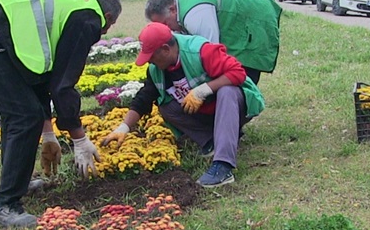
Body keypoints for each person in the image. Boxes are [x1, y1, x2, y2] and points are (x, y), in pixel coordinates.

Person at [0, 0, 122, 228]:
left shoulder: (73, 8)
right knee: (23, 116)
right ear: (107, 16)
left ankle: (16, 183)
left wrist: (48, 133)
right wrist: (79, 139)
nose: (104, 32)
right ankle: (6, 206)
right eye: (110, 26)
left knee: (20, 113)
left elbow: (40, 77)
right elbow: (63, 85)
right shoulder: (87, 20)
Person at [103, 22, 264, 187]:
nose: (149, 62)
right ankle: (214, 141)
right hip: (206, 114)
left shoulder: (201, 50)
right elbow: (144, 97)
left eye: (151, 56)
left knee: (227, 91)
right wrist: (124, 127)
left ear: (166, 49)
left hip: (235, 107)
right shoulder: (157, 69)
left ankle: (223, 166)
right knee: (166, 107)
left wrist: (204, 89)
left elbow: (238, 73)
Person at [144, 0, 282, 84]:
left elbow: (210, 52)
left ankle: (242, 108)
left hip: (254, 17)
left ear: (172, 10)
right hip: (234, 16)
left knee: (244, 65)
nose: (167, 31)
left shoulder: (195, 13)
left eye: (165, 24)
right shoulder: (178, 0)